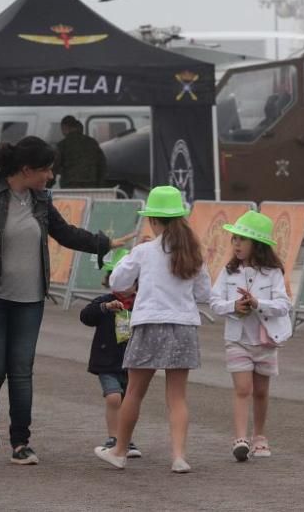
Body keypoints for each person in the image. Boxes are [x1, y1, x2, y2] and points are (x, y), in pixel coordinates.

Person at [0, 136, 132, 466]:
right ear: (26, 169)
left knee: (21, 371)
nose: (50, 176)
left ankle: (21, 442)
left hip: (30, 300)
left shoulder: (41, 201)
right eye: (46, 170)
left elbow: (65, 233)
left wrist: (105, 242)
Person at [93, 185, 210, 474]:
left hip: (148, 324)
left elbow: (117, 282)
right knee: (177, 396)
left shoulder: (144, 251)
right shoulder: (194, 252)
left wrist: (133, 255)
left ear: (155, 220)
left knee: (133, 392)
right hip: (183, 326)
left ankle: (119, 450)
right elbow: (204, 293)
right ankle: (179, 456)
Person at [210, 211, 292, 462]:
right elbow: (214, 302)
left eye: (241, 240)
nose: (235, 244)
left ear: (257, 244)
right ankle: (240, 438)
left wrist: (257, 303)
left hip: (266, 340)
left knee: (261, 392)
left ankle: (259, 436)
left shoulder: (273, 273)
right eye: (234, 239)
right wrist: (233, 306)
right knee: (243, 389)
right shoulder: (228, 271)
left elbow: (284, 305)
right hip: (237, 340)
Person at [79, 247, 141, 459]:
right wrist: (105, 307)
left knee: (128, 401)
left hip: (132, 362)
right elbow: (85, 317)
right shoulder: (103, 301)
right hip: (106, 361)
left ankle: (126, 440)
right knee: (114, 398)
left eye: (132, 282)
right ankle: (113, 437)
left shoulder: (142, 305)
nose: (126, 288)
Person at [53, 115, 106, 189]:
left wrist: (47, 186)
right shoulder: (92, 143)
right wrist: (100, 186)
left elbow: (54, 167)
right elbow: (102, 165)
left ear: (65, 127)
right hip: (91, 186)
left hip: (70, 186)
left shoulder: (62, 145)